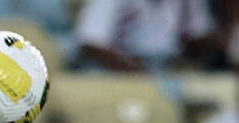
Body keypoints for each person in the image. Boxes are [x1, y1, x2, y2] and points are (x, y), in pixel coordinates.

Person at [74, 0, 216, 71]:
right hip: (120, 73)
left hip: (171, 70)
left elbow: (199, 38)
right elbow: (90, 46)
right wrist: (130, 67)